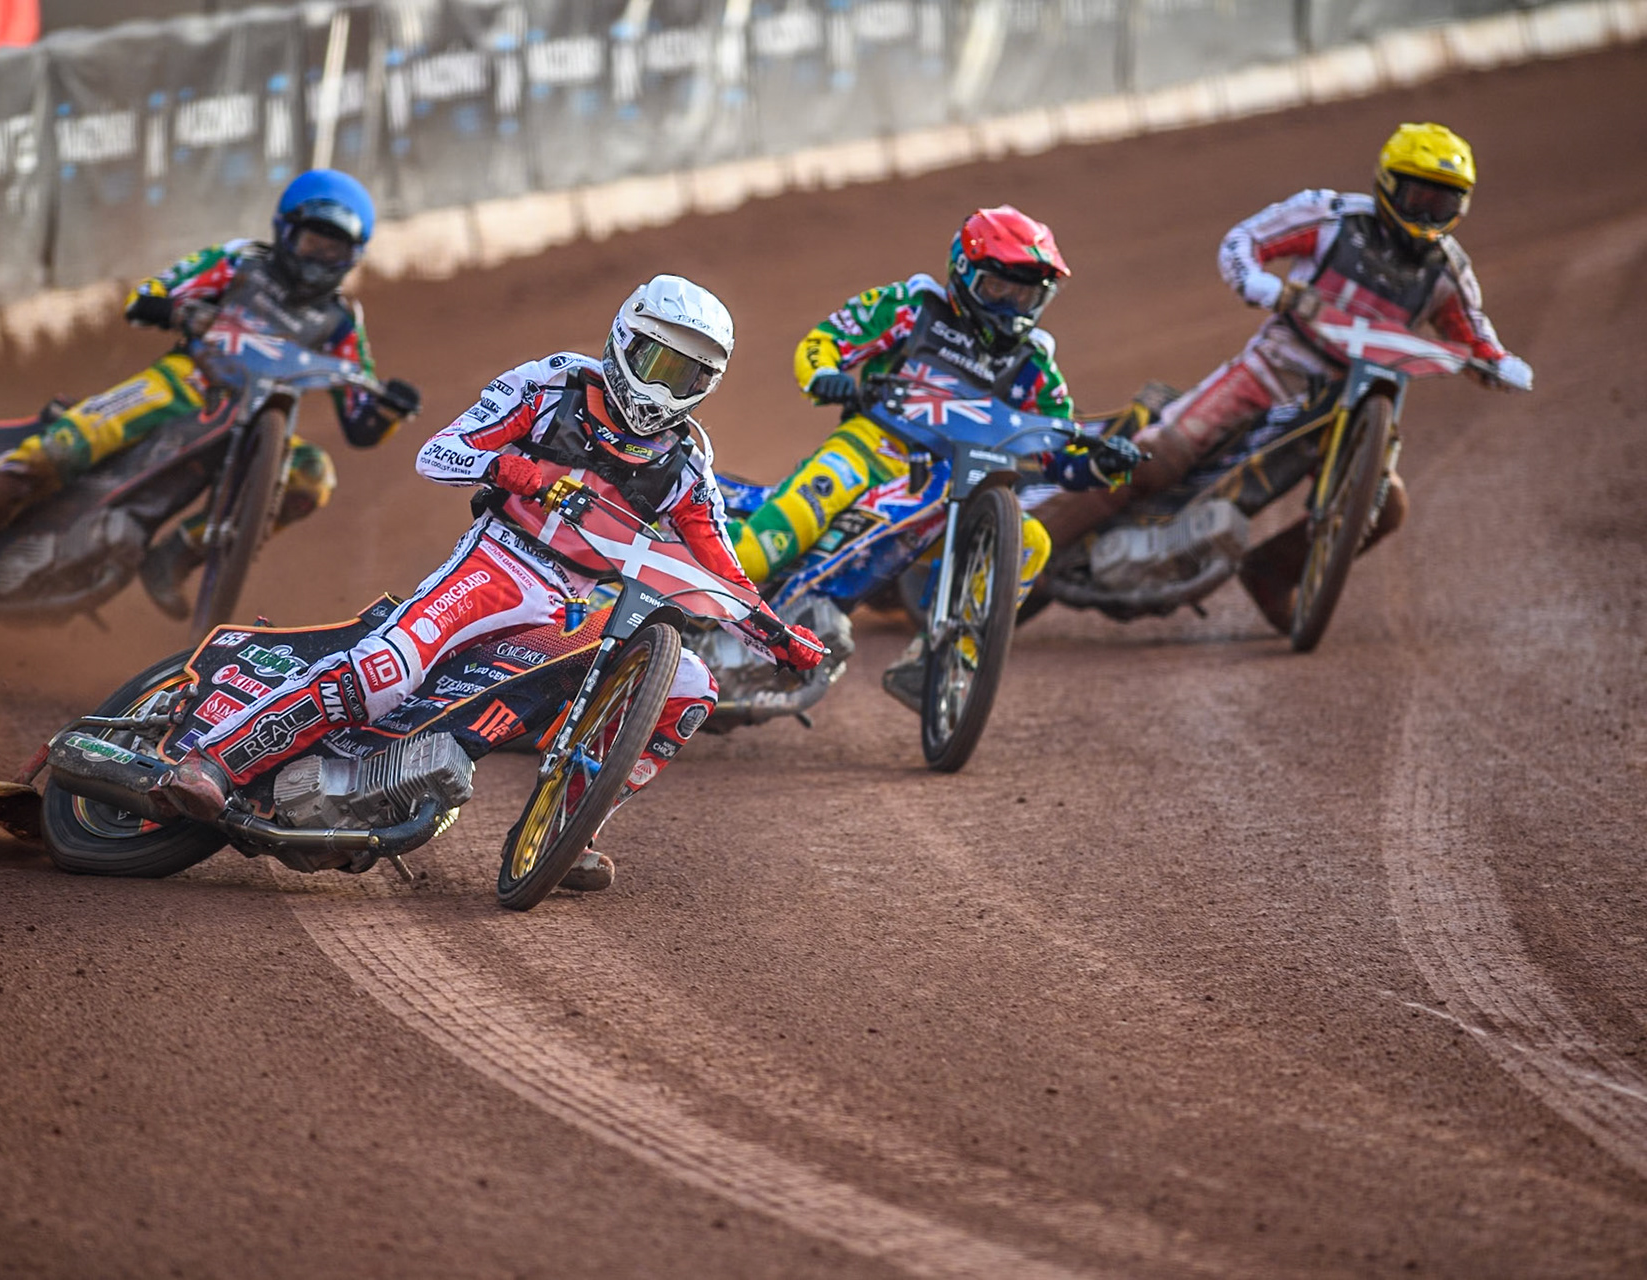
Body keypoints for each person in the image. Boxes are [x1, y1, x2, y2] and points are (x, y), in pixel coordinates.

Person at [154, 274, 824, 892]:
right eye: (658, 364)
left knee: (691, 687)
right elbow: (440, 454)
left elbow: (722, 572)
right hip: (500, 562)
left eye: (688, 376)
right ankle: (217, 761)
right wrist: (529, 476)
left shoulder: (687, 471)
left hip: (580, 605)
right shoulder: (550, 386)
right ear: (625, 342)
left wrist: (780, 640)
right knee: (388, 669)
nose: (664, 389)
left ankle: (566, 830)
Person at [1029, 122, 1533, 632]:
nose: (1426, 214)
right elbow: (1243, 242)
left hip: (1361, 399)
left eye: (1442, 204)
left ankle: (1272, 573)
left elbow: (1474, 332)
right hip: (1277, 366)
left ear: (1460, 209)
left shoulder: (1448, 271)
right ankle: (1023, 560)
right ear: (1387, 183)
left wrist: (1498, 362)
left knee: (1387, 507)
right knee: (1161, 456)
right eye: (1418, 196)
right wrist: (1269, 289)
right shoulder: (1332, 216)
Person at [0, 169, 421, 618]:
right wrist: (180, 311)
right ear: (286, 231)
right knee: (61, 448)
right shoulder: (241, 262)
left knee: (313, 476)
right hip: (185, 383)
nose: (320, 259)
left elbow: (360, 423)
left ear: (353, 257)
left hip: (258, 425)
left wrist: (390, 408)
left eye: (335, 250)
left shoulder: (341, 321)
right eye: (314, 243)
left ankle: (179, 552)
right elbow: (146, 297)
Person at [723, 205, 1139, 696]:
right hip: (867, 451)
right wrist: (826, 377)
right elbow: (826, 341)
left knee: (1032, 541)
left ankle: (943, 663)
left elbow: (1058, 452)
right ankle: (670, 557)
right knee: (755, 556)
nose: (1011, 306)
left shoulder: (1035, 363)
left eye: (1026, 293)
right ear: (964, 273)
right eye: (1000, 288)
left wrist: (1101, 464)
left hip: (953, 488)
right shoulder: (913, 304)